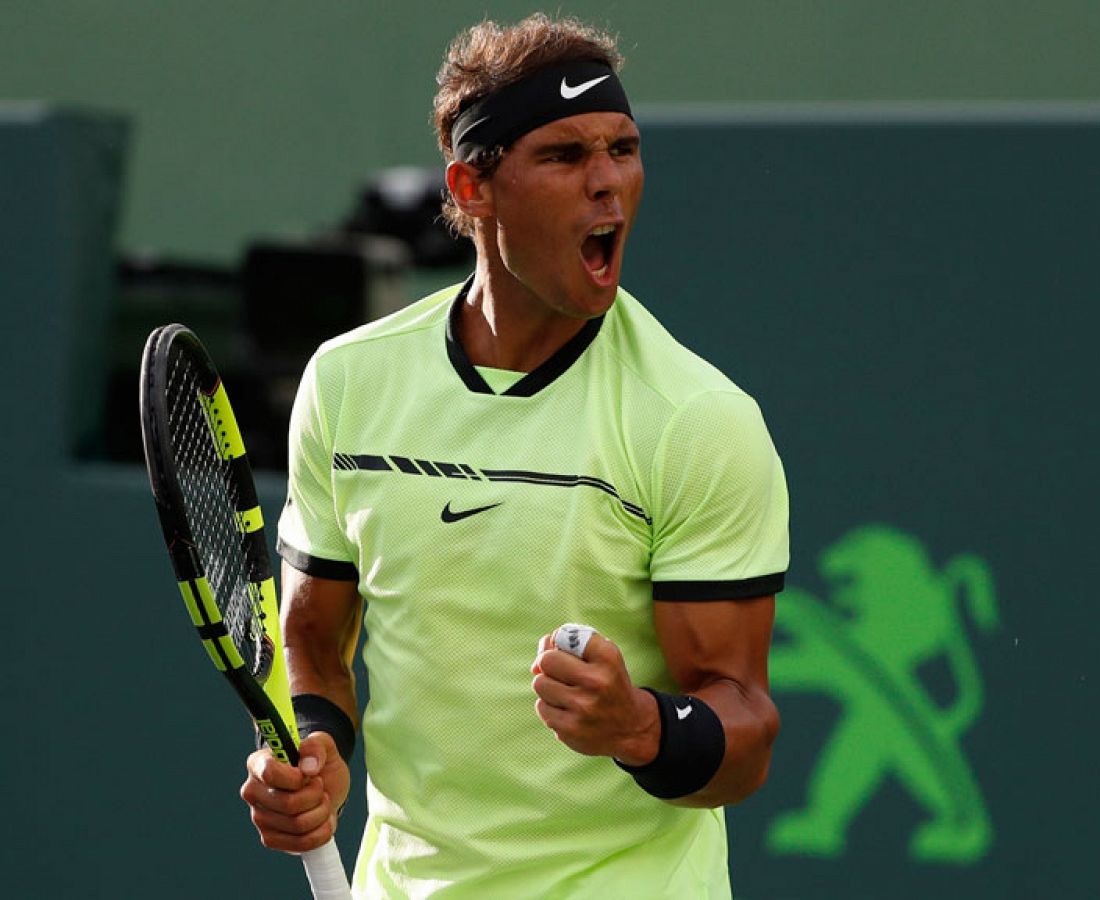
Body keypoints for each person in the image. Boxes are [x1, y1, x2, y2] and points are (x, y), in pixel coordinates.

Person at [237, 14, 789, 898]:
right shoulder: (347, 384)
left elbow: (747, 730)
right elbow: (314, 642)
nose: (609, 183)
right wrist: (315, 750)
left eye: (622, 148)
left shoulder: (696, 420)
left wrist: (640, 726)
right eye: (566, 157)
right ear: (474, 186)